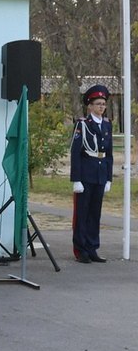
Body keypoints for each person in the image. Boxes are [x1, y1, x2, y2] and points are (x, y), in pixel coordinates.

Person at [70, 84, 114, 263]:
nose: (101, 107)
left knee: (95, 213)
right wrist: (76, 179)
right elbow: (75, 152)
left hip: (100, 174)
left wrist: (109, 178)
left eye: (103, 104)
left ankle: (92, 247)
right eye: (98, 104)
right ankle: (81, 250)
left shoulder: (107, 124)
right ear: (90, 106)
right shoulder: (82, 124)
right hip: (85, 173)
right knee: (82, 213)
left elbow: (109, 153)